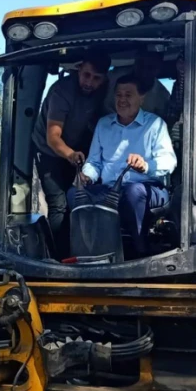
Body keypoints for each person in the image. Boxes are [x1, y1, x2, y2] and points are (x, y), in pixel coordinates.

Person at [71, 74, 177, 256]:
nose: (122, 100)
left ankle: (140, 252)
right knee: (74, 193)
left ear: (141, 98)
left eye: (128, 95)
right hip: (110, 189)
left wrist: (145, 165)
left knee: (133, 193)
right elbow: (94, 162)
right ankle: (88, 252)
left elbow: (169, 161)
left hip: (149, 188)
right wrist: (87, 175)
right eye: (118, 95)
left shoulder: (155, 125)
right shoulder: (103, 125)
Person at [31, 54, 110, 255]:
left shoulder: (103, 91)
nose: (89, 82)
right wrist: (71, 154)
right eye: (86, 75)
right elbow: (53, 137)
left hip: (77, 150)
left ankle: (86, 252)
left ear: (104, 79)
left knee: (81, 199)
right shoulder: (61, 91)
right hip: (49, 151)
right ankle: (58, 258)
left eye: (96, 78)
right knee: (59, 206)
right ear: (78, 69)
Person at [104, 49, 170, 117]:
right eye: (141, 64)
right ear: (135, 62)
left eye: (151, 67)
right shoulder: (113, 77)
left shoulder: (162, 95)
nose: (144, 71)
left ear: (159, 68)